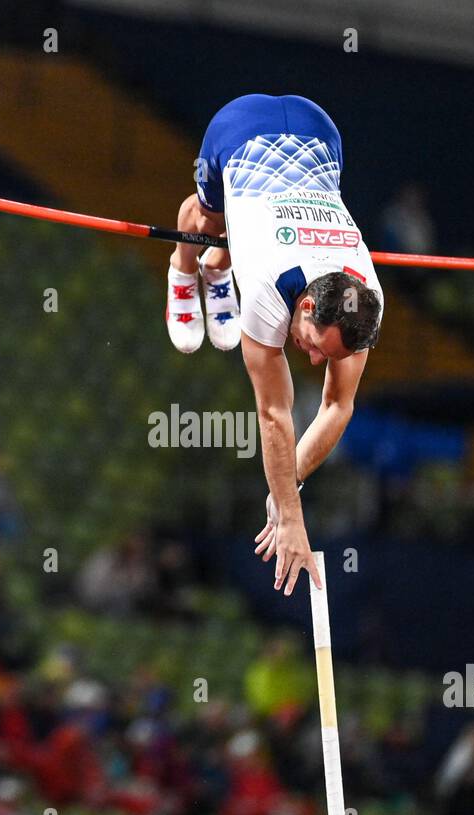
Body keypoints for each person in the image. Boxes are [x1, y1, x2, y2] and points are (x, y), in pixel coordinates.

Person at [165, 94, 384, 595]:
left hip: (319, 132)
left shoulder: (364, 303)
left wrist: (289, 482)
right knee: (209, 221)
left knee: (231, 244)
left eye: (327, 357)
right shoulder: (267, 288)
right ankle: (185, 274)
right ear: (304, 308)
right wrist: (290, 517)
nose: (312, 359)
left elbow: (338, 405)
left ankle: (220, 270)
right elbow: (274, 414)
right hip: (239, 129)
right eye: (313, 346)